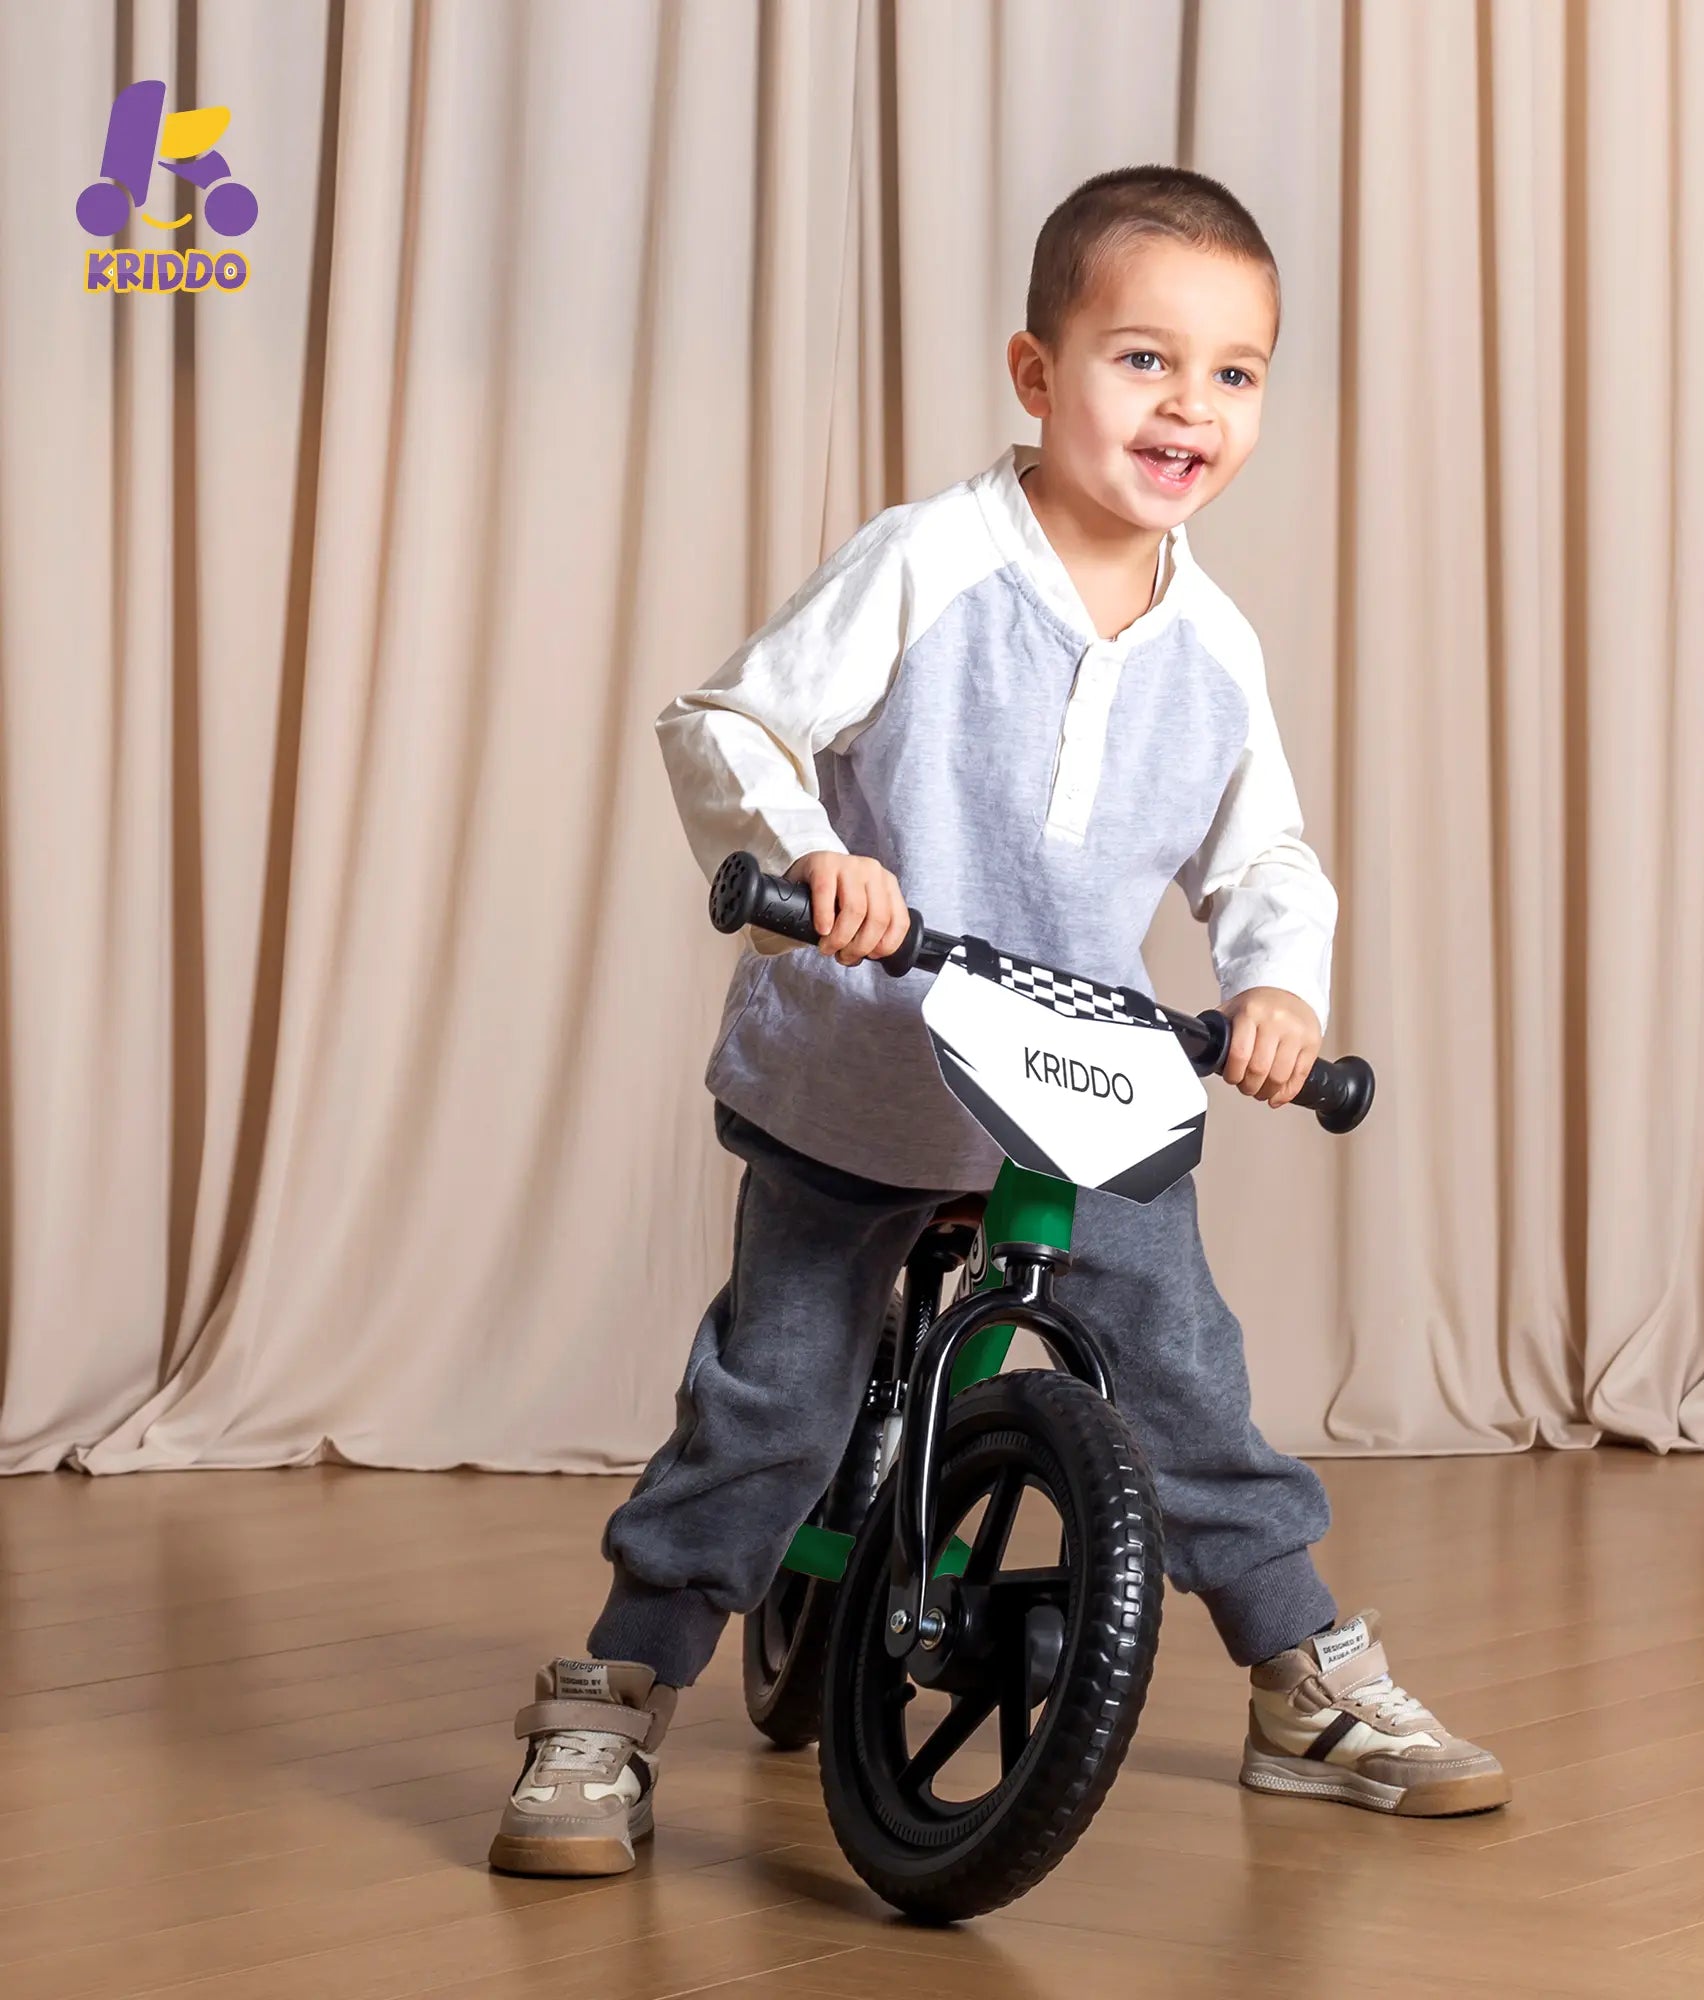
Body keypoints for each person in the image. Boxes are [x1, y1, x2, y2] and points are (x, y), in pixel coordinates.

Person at [488, 165, 1510, 1880]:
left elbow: (1262, 852)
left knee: (1187, 1378)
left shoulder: (1217, 646)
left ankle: (1302, 1684)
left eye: (1235, 372)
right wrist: (812, 856)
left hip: (1075, 1082)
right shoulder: (932, 562)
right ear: (1037, 377)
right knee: (777, 1391)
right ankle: (613, 1695)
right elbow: (726, 722)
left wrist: (1276, 989)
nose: (1189, 405)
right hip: (866, 1074)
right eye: (1141, 360)